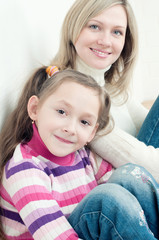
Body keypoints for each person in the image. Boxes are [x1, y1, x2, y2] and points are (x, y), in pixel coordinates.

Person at [0, 66, 159, 239]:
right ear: (35, 109)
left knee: (130, 175)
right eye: (61, 112)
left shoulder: (82, 155)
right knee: (108, 201)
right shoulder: (24, 170)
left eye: (84, 122)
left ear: (92, 132)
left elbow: (123, 194)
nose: (71, 129)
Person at [51, 0, 159, 183]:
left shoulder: (112, 89)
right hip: (130, 190)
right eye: (94, 26)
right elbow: (152, 168)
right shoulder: (72, 95)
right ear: (74, 27)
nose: (105, 41)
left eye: (117, 32)